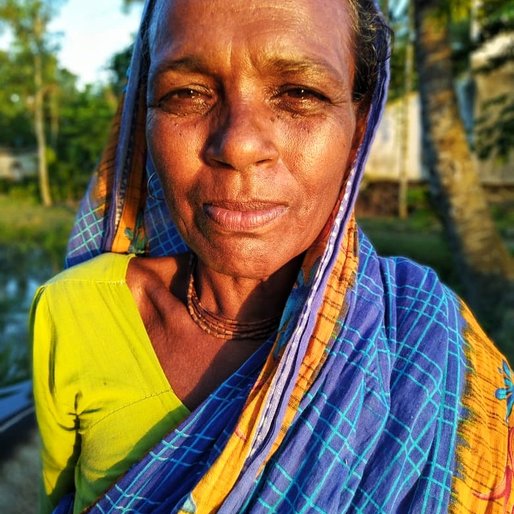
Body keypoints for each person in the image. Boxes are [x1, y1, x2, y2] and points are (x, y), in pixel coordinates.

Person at [31, 0, 513, 512]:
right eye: (187, 94)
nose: (237, 144)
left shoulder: (428, 342)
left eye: (300, 93)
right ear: (142, 120)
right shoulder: (75, 312)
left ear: (359, 125)